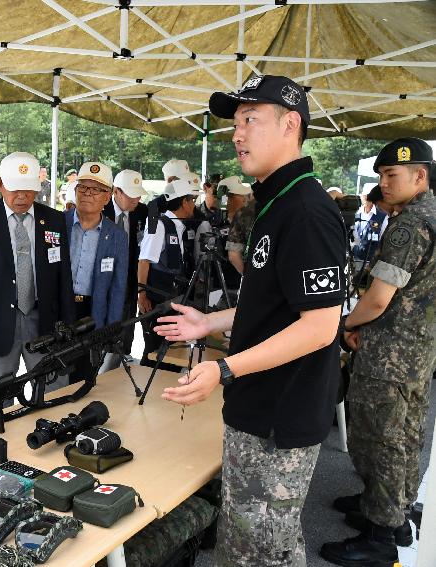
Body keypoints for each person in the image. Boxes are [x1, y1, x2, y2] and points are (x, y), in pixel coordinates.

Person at [154, 75, 347, 566]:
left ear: (290, 124)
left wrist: (223, 369)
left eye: (250, 120)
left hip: (277, 421)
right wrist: (208, 323)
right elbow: (274, 307)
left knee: (265, 551)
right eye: (235, 122)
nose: (237, 134)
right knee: (244, 545)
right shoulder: (277, 203)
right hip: (259, 409)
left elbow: (319, 327)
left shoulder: (306, 212)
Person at [321, 138, 436, 566]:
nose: (383, 183)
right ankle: (393, 510)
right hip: (418, 351)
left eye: (391, 176)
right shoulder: (431, 215)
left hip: (389, 352)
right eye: (381, 175)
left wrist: (342, 325)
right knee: (405, 433)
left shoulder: (409, 224)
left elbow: (377, 300)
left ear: (419, 176)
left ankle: (380, 533)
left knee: (380, 439)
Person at [0, 152, 74, 391]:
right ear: (0, 184)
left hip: (44, 321)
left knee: (54, 391)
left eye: (28, 190)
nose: (22, 196)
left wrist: (68, 324)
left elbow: (64, 275)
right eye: (15, 189)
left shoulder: (54, 220)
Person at [64, 162, 128, 383]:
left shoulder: (117, 236)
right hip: (61, 309)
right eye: (83, 187)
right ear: (75, 191)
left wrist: (111, 329)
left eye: (96, 190)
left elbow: (118, 287)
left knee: (84, 377)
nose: (88, 194)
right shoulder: (56, 224)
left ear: (107, 196)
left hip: (93, 312)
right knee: (55, 379)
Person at [136, 179, 200, 366]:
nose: (193, 205)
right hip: (157, 299)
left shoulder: (178, 226)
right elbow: (144, 260)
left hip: (172, 297)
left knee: (169, 348)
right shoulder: (160, 225)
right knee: (156, 349)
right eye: (192, 200)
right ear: (184, 201)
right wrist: (142, 295)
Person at [101, 169, 148, 370]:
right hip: (104, 285)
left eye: (138, 194)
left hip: (129, 283)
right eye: (131, 194)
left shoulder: (144, 213)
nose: (136, 199)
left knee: (125, 331)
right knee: (104, 335)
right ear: (116, 191)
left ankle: (119, 367)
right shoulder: (101, 212)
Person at [193, 176, 252, 296]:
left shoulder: (247, 222)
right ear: (226, 199)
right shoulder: (208, 225)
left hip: (243, 287)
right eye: (240, 195)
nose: (245, 199)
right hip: (219, 289)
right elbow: (200, 259)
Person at [351, 183, 391, 274]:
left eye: (368, 197)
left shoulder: (383, 216)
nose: (365, 199)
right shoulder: (355, 213)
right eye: (364, 196)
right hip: (353, 259)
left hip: (370, 264)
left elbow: (382, 241)